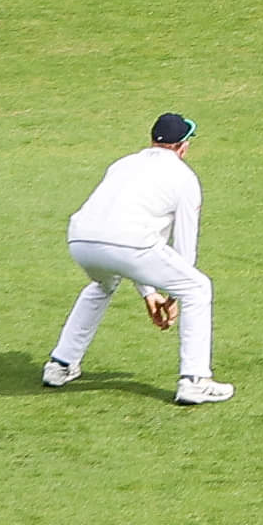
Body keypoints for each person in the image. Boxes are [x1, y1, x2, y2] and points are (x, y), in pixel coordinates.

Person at [42, 112, 232, 404]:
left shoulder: (123, 164)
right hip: (125, 243)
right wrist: (171, 298)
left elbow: (123, 238)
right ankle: (194, 380)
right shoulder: (184, 178)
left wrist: (150, 293)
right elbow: (183, 249)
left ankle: (61, 364)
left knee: (101, 286)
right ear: (183, 147)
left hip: (80, 240)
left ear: (153, 141)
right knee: (197, 287)